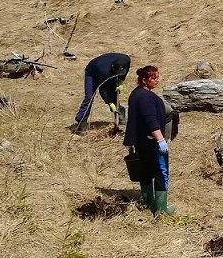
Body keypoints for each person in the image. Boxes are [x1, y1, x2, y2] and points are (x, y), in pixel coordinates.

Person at [123, 65, 173, 216]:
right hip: (152, 142)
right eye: (153, 78)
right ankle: (161, 209)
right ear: (144, 80)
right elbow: (151, 121)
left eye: (157, 77)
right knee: (161, 172)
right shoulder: (146, 98)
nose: (156, 80)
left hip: (141, 142)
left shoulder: (136, 93)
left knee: (145, 171)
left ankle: (147, 201)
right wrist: (160, 140)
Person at [74, 52, 130, 134]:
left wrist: (121, 81)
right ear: (113, 67)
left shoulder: (126, 60)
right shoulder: (104, 70)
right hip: (92, 73)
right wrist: (109, 103)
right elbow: (103, 89)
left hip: (108, 71)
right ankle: (81, 122)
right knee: (89, 97)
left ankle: (120, 114)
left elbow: (125, 70)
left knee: (113, 93)